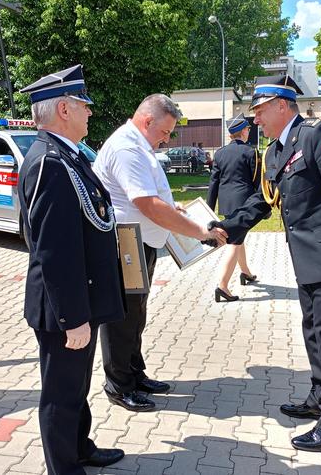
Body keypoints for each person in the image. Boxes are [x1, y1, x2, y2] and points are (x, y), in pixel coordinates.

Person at [212, 77, 321, 452]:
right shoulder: (276, 151)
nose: (255, 119)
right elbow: (263, 201)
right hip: (307, 257)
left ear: (281, 105)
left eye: (259, 111)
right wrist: (227, 228)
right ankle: (319, 399)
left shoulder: (317, 135)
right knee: (314, 333)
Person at [17, 65, 126, 475]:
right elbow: (54, 250)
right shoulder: (50, 162)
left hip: (79, 299)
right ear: (64, 108)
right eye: (84, 105)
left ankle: (80, 447)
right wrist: (73, 318)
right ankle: (63, 467)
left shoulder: (65, 156)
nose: (90, 113)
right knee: (61, 394)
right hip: (64, 308)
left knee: (77, 387)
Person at [93, 94, 227, 412]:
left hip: (140, 241)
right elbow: (146, 205)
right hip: (125, 241)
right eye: (164, 132)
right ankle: (118, 385)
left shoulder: (140, 144)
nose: (166, 140)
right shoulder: (127, 147)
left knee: (136, 314)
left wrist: (175, 208)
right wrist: (199, 232)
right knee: (122, 318)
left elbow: (153, 196)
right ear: (147, 120)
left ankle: (134, 374)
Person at [206, 112, 260, 302]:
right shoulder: (251, 152)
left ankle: (246, 273)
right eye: (247, 128)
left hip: (227, 204)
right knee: (234, 242)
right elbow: (257, 181)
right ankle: (222, 285)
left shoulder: (220, 153)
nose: (248, 131)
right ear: (242, 131)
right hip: (245, 205)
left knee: (238, 238)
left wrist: (209, 209)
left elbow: (213, 184)